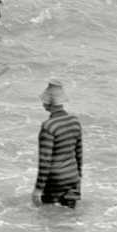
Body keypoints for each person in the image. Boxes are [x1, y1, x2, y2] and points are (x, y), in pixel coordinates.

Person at [34, 79, 83, 207]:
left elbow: (45, 161)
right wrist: (78, 176)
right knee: (70, 220)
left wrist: (38, 189)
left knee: (48, 220)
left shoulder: (48, 127)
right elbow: (79, 153)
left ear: (47, 102)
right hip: (73, 177)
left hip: (55, 180)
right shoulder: (75, 121)